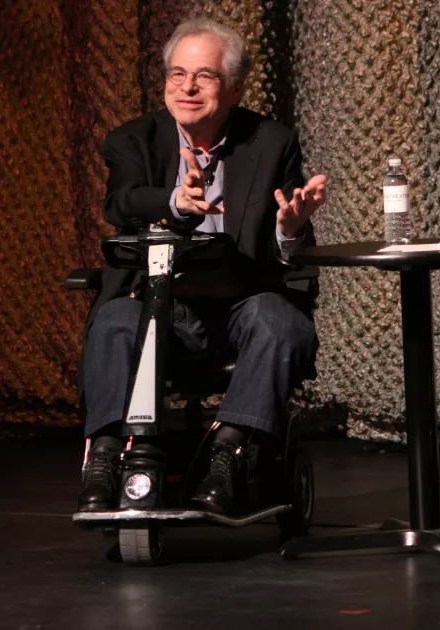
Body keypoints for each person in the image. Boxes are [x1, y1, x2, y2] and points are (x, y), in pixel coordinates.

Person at [77, 17, 328, 516]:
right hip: (156, 306)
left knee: (279, 321)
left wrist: (291, 227)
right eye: (177, 74)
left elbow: (292, 253)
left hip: (241, 305)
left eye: (205, 77)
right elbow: (122, 202)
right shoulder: (133, 140)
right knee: (112, 322)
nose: (187, 88)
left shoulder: (271, 142)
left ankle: (227, 453)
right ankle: (105, 457)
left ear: (233, 88)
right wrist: (177, 202)